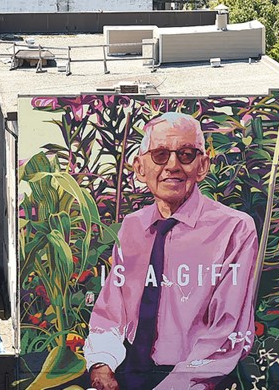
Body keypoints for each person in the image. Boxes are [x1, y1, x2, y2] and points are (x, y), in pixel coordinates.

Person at [84, 112, 259, 390]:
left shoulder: (235, 229)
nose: (173, 166)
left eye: (187, 154)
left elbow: (227, 332)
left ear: (202, 166)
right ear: (140, 168)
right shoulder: (131, 227)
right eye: (160, 154)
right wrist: (102, 364)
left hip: (196, 379)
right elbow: (110, 312)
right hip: (129, 372)